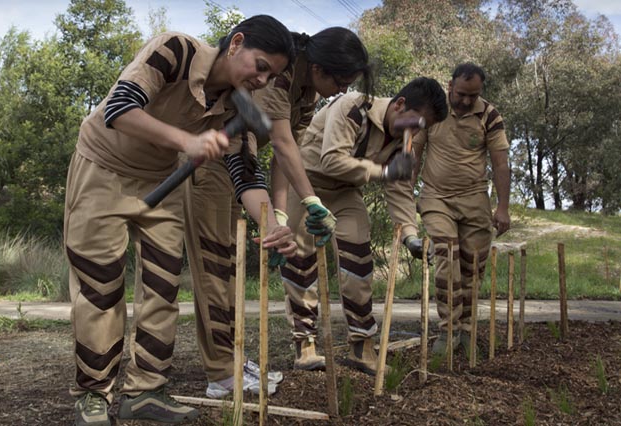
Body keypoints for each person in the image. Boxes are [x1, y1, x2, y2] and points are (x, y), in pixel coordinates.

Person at [63, 15, 296, 426]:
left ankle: (145, 390)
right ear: (236, 43)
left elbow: (246, 176)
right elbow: (120, 108)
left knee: (163, 285)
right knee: (101, 288)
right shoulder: (176, 50)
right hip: (103, 168)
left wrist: (272, 224)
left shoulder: (236, 105)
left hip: (162, 183)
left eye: (272, 75)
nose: (263, 80)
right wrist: (187, 141)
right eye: (261, 66)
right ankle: (93, 395)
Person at [184, 27, 373, 398]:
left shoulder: (307, 90)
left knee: (230, 265)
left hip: (241, 164)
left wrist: (281, 217)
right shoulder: (280, 75)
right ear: (319, 67)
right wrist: (313, 201)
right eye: (341, 81)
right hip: (210, 159)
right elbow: (283, 144)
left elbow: (287, 159)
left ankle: (232, 359)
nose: (341, 90)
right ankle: (222, 373)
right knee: (215, 263)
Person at [279, 77, 448, 375]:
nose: (415, 133)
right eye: (416, 123)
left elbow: (398, 188)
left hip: (345, 192)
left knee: (359, 263)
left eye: (423, 128)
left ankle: (361, 344)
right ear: (399, 105)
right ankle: (304, 344)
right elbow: (331, 160)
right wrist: (383, 171)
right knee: (299, 261)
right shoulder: (354, 106)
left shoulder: (402, 140)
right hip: (305, 184)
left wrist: (410, 236)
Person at [412, 63, 510, 354]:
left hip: (475, 198)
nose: (467, 101)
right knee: (445, 254)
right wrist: (406, 194)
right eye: (462, 94)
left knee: (471, 269)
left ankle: (466, 333)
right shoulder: (432, 111)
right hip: (436, 198)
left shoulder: (489, 115)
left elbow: (501, 162)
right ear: (450, 86)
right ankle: (447, 333)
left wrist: (502, 208)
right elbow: (414, 153)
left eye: (473, 95)